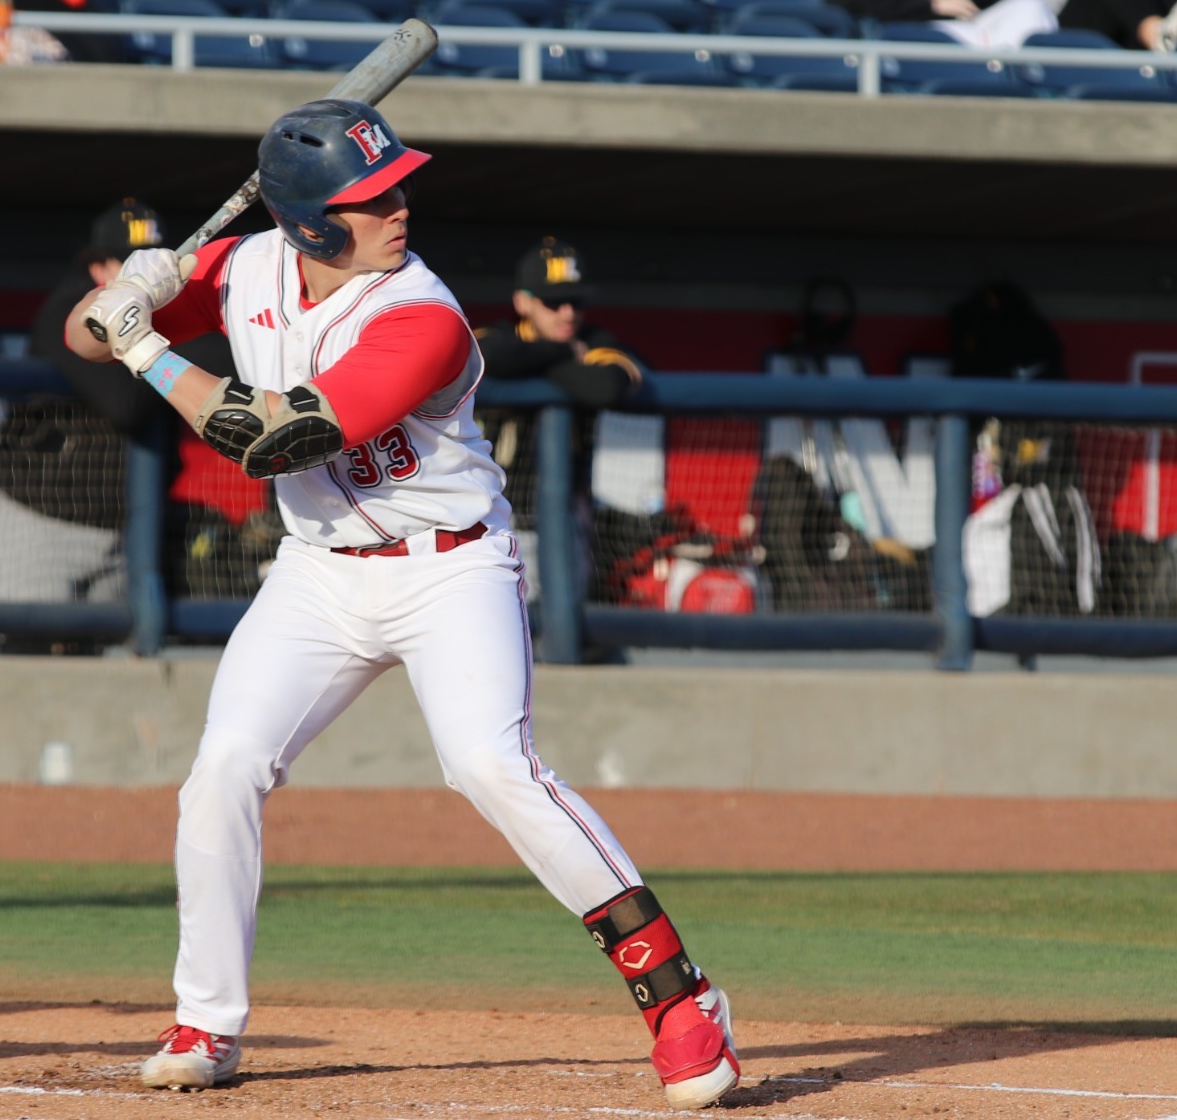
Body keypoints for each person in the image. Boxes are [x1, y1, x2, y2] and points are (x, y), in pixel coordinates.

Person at [65, 99, 741, 1112]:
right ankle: (206, 1020)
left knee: (488, 766)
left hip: (448, 571)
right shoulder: (244, 268)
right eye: (369, 197)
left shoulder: (417, 314)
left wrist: (147, 346)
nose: (398, 208)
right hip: (319, 571)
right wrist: (138, 287)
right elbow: (83, 336)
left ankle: (680, 1001)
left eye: (393, 188)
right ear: (306, 223)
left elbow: (275, 439)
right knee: (221, 771)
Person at [0, 199, 174, 614]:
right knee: (27, 661)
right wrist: (177, 350)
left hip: (125, 531)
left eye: (151, 265)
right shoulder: (69, 309)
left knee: (104, 673)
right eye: (128, 265)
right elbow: (127, 405)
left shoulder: (170, 317)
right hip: (42, 522)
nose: (145, 278)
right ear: (99, 267)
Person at [475, 237, 647, 604]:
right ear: (523, 302)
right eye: (554, 302)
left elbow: (606, 386)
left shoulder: (596, 339)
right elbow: (487, 356)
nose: (568, 313)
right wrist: (565, 354)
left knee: (560, 617)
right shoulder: (503, 335)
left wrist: (540, 361)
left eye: (576, 301)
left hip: (563, 513)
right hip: (487, 511)